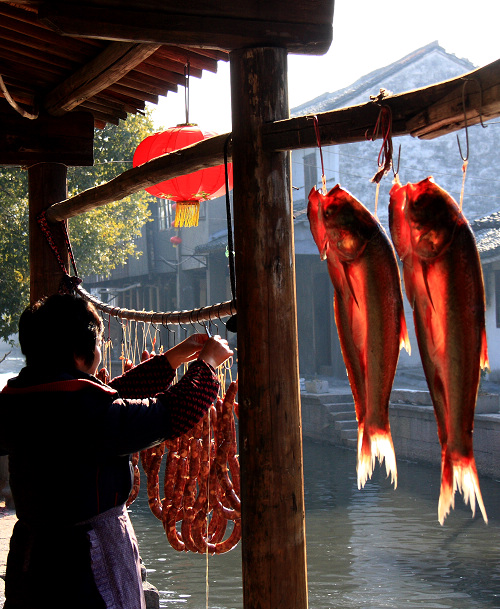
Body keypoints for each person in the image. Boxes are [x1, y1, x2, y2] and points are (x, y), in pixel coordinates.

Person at [0, 292, 233, 609]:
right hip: (83, 567)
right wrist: (207, 366)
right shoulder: (89, 414)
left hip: (31, 556)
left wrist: (172, 360)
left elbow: (111, 399)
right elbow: (168, 415)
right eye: (97, 344)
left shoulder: (22, 400)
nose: (100, 350)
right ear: (77, 353)